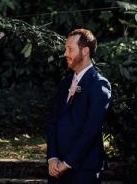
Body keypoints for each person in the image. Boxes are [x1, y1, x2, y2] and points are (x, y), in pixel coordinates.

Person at [46, 28, 111, 183]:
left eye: (70, 49)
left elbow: (92, 129)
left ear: (85, 51)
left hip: (84, 169)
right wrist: (52, 157)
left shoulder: (99, 84)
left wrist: (68, 163)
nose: (65, 54)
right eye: (65, 49)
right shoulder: (65, 83)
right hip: (56, 169)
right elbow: (53, 121)